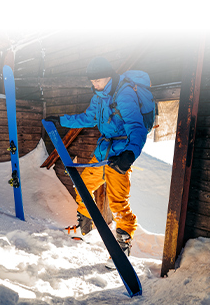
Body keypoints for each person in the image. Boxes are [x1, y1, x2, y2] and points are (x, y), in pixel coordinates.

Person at [45, 56, 148, 267]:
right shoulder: (99, 97)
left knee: (118, 203)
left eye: (97, 80)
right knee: (82, 186)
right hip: (102, 153)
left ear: (109, 75)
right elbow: (87, 117)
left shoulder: (125, 94)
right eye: (92, 81)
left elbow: (137, 128)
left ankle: (123, 245)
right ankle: (84, 227)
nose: (94, 84)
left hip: (119, 155)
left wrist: (130, 154)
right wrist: (62, 119)